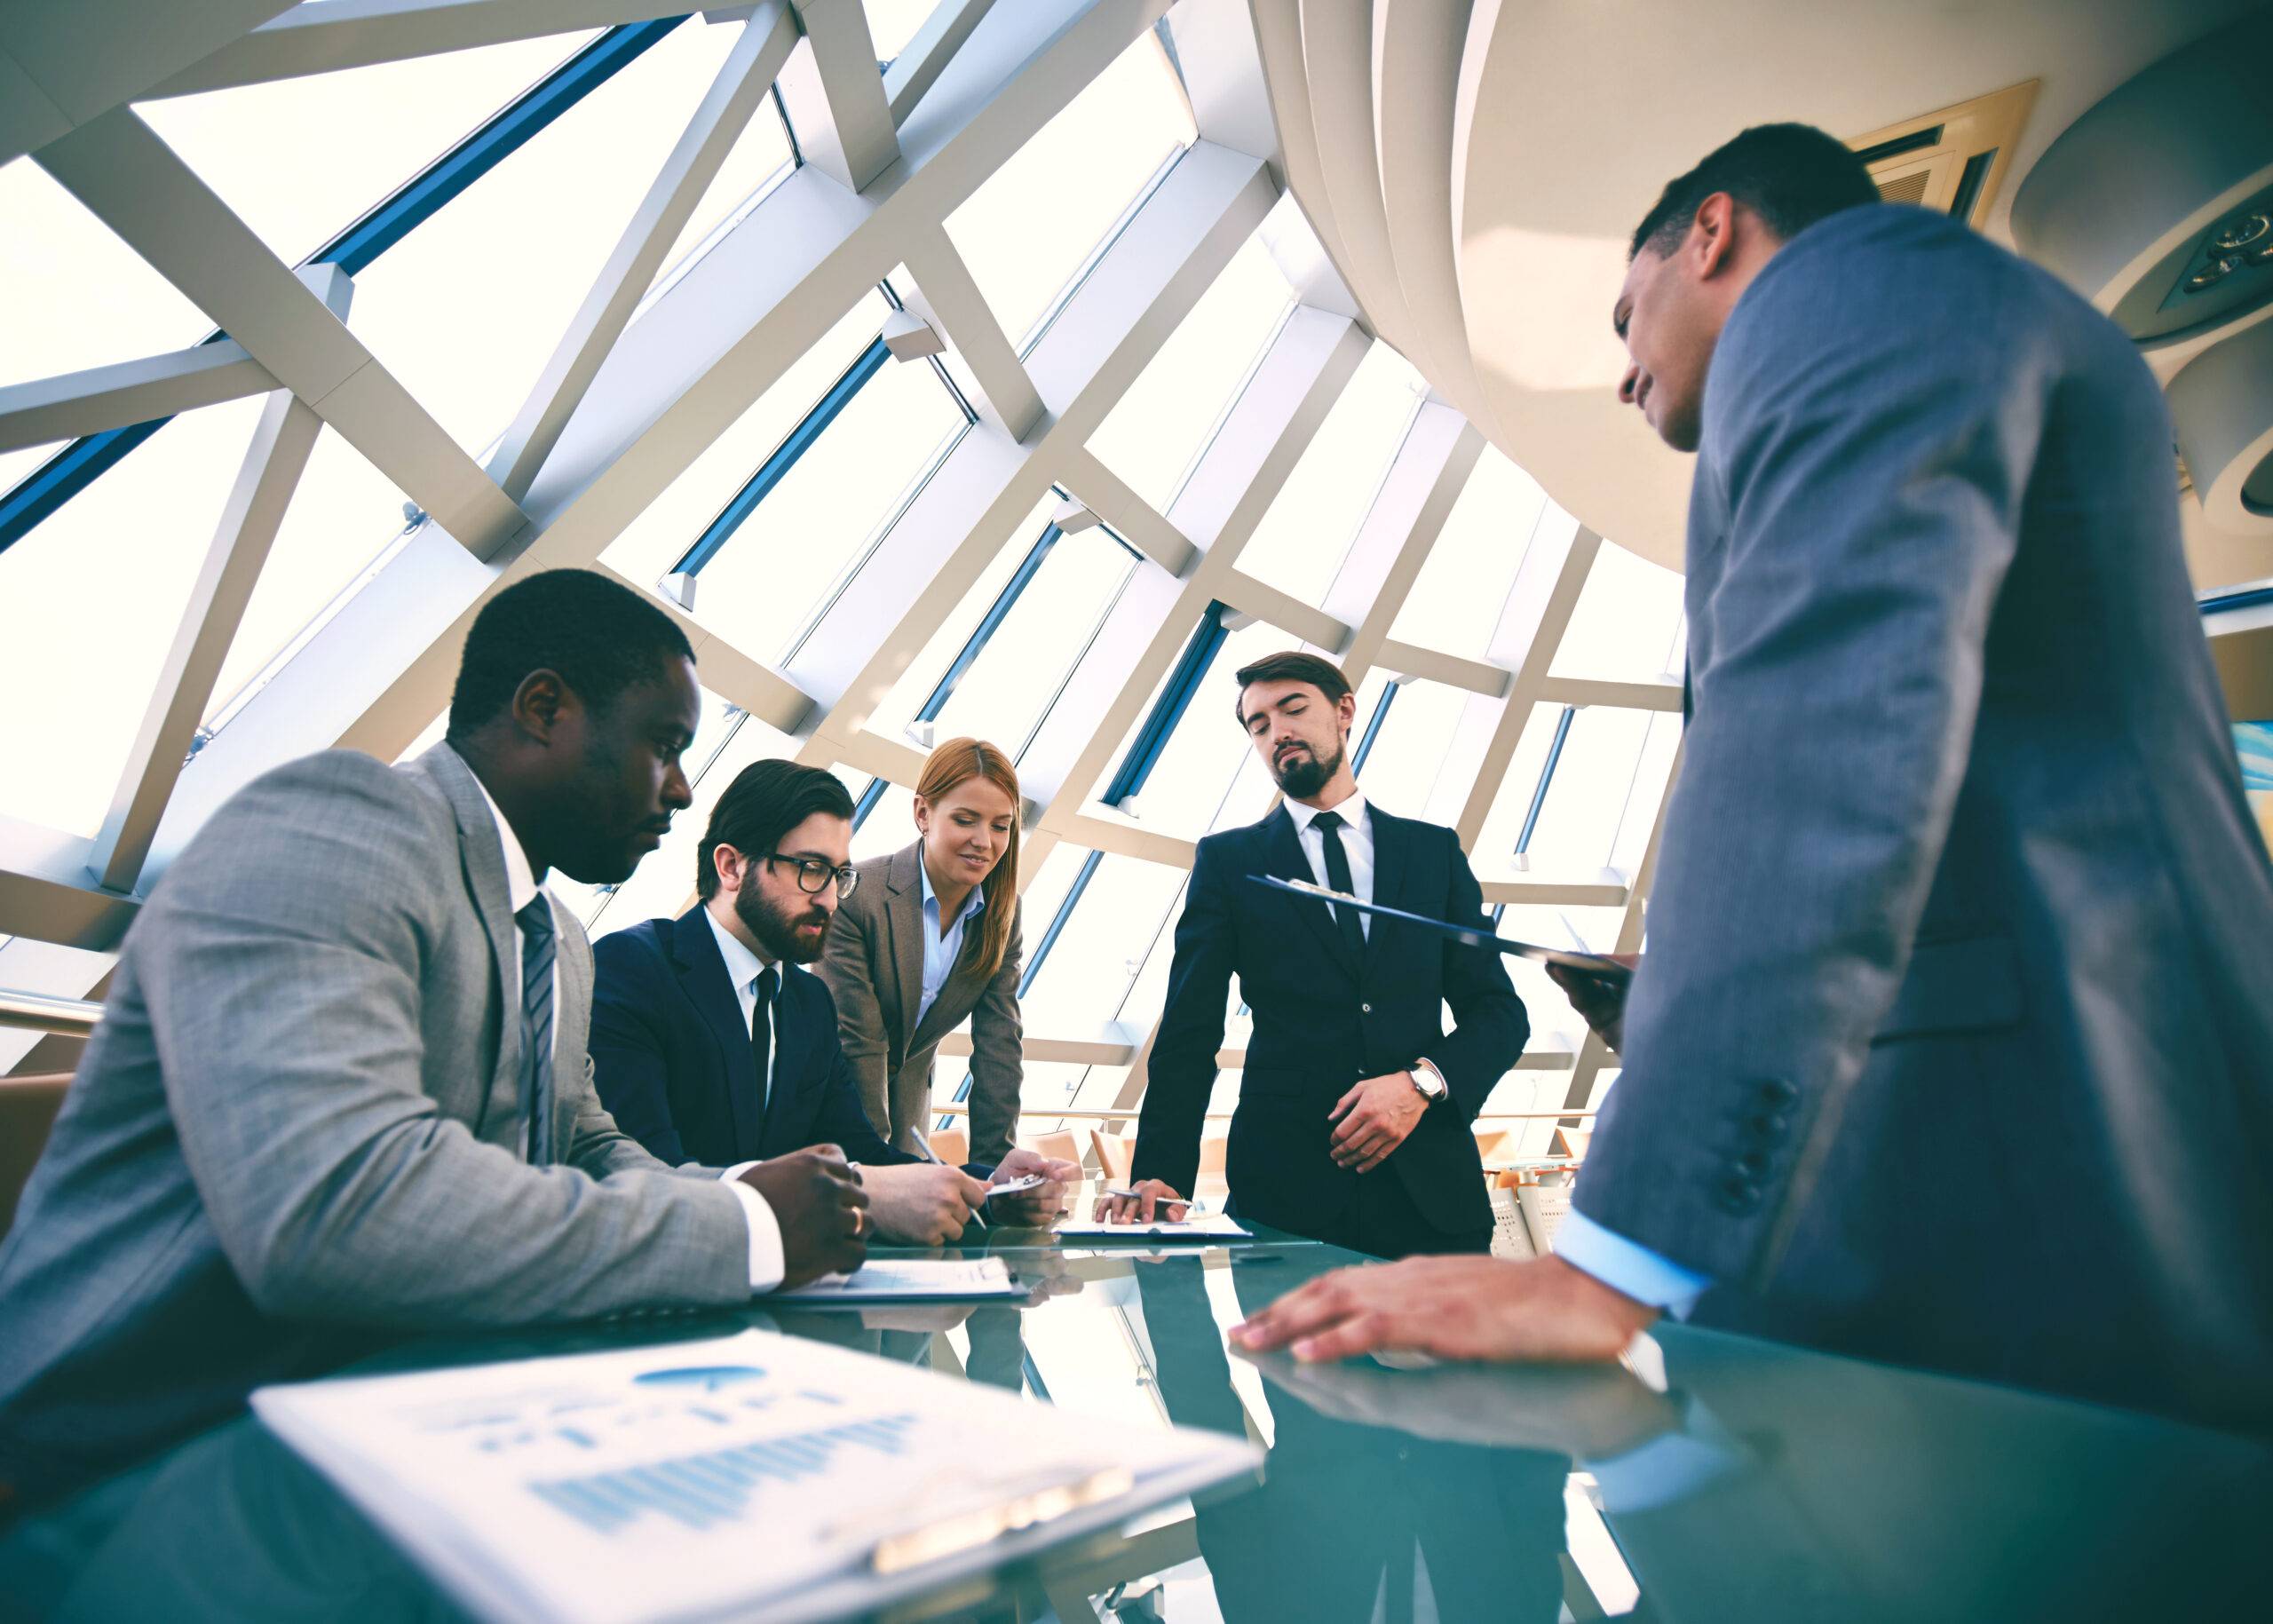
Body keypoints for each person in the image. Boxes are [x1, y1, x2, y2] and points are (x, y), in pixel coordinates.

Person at [1233, 124, 2273, 1430]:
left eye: (1627, 316)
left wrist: (1608, 1257)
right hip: (2070, 1111)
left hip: (2038, 1148)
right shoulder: (1950, 312)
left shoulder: (1845, 286)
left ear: (1712, 234)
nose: (1622, 372)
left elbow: (1824, 732)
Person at [0, 570, 868, 1502]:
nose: (684, 789)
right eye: (663, 746)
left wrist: (758, 1193)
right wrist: (740, 1225)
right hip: (127, 1462)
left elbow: (584, 1144)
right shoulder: (335, 825)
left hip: (382, 1433)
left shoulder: (559, 939)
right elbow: (338, 1207)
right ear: (544, 707)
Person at [1101, 652, 1529, 1256]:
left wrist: (1419, 1084)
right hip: (1285, 1201)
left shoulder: (1433, 854)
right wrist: (1163, 1173)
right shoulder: (1229, 863)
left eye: (1293, 709)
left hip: (1431, 1202)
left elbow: (1500, 1013)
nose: (1278, 731)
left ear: (1345, 710)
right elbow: (1189, 1031)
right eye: (1259, 724)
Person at [589, 759, 1074, 1244]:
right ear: (732, 866)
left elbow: (860, 1152)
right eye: (811, 870)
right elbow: (643, 1182)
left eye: (838, 875)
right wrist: (860, 1194)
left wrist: (988, 1189)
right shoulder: (633, 971)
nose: (830, 899)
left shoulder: (806, 1003)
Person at [817, 738, 1025, 1166]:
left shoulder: (1002, 913)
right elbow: (859, 1042)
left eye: (1000, 826)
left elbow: (999, 1044)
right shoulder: (858, 895)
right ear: (923, 814)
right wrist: (881, 1167)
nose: (984, 842)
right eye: (966, 820)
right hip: (835, 1119)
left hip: (911, 1121)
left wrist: (996, 1169)